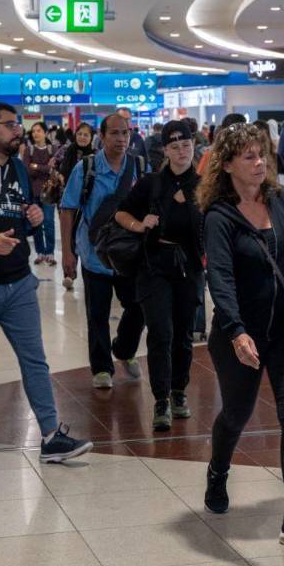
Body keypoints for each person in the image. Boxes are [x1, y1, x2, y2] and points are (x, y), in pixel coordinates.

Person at [199, 123, 284, 542]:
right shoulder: (220, 217)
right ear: (226, 164)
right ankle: (218, 469)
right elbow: (219, 277)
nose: (260, 163)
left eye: (263, 155)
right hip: (240, 335)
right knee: (236, 414)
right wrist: (237, 331)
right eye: (249, 157)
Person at [0, 103, 92, 462]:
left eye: (18, 124)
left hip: (18, 282)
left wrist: (32, 217)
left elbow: (23, 209)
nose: (18, 130)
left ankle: (50, 437)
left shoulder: (17, 167)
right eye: (10, 125)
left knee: (35, 360)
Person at [113, 120, 203, 431]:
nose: (181, 150)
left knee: (183, 335)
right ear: (165, 149)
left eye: (186, 144)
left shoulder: (203, 185)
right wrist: (140, 225)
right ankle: (161, 399)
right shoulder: (151, 183)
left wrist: (189, 203)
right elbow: (121, 213)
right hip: (153, 265)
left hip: (188, 266)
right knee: (160, 333)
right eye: (174, 146)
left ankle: (179, 392)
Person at [59, 113, 147, 388]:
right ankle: (101, 368)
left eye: (126, 133)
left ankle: (124, 349)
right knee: (97, 312)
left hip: (129, 255)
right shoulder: (86, 169)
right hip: (95, 254)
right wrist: (67, 252)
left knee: (137, 307)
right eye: (115, 133)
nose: (121, 139)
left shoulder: (139, 166)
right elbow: (68, 209)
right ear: (102, 136)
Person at [54, 122, 95, 289]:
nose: (82, 138)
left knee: (84, 234)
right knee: (68, 234)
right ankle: (69, 273)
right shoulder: (65, 151)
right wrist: (59, 175)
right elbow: (53, 166)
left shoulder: (96, 156)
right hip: (67, 201)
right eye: (80, 134)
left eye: (86, 135)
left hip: (86, 203)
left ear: (91, 138)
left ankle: (88, 268)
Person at [21, 122, 58, 266]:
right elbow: (27, 170)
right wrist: (45, 168)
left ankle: (50, 252)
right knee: (36, 222)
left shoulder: (53, 149)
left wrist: (35, 166)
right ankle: (40, 252)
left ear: (45, 133)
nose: (35, 133)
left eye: (39, 131)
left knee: (49, 222)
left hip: (49, 192)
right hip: (33, 192)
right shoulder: (28, 150)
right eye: (33, 131)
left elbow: (53, 170)